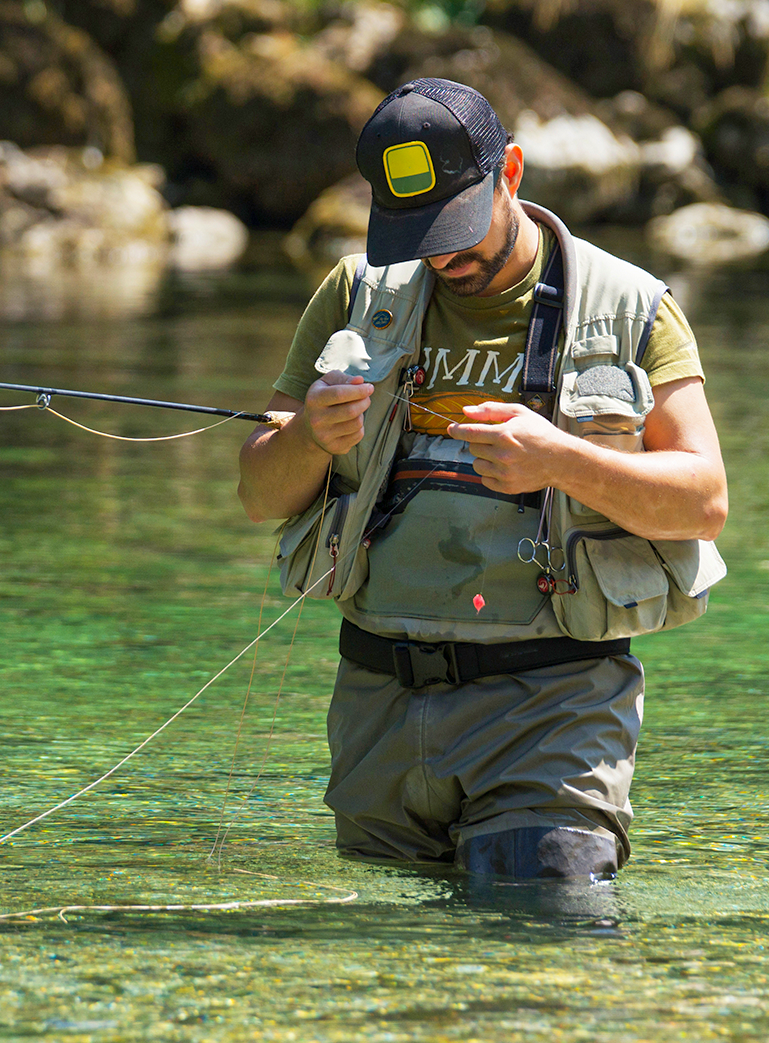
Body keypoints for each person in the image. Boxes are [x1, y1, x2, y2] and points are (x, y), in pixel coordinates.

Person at [237, 78, 728, 880]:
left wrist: (560, 459)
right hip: (378, 712)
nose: (442, 255)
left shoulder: (633, 305)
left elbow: (704, 502)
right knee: (390, 980)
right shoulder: (356, 295)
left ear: (511, 174)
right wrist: (313, 440)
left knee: (543, 952)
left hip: (551, 709)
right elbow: (260, 493)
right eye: (417, 232)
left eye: (457, 227)